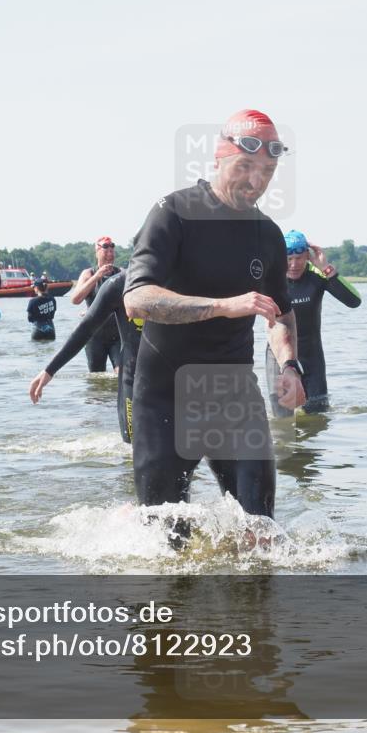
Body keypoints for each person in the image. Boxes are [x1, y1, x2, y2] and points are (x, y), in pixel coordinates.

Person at [123, 108, 306, 529]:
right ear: (218, 159)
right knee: (169, 543)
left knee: (262, 531)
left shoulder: (269, 234)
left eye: (267, 170)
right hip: (165, 399)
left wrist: (290, 366)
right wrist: (224, 305)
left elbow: (280, 314)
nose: (256, 181)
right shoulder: (173, 212)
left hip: (235, 396)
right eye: (245, 166)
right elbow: (138, 299)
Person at [29, 270, 141, 443]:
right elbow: (85, 329)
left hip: (179, 378)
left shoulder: (185, 282)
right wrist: (49, 370)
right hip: (133, 380)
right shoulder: (119, 284)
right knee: (134, 452)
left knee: (188, 450)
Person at [265, 230, 361, 416]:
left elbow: (354, 301)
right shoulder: (270, 278)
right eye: (288, 258)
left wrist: (325, 267)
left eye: (299, 258)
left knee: (317, 415)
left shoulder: (317, 276)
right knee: (282, 419)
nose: (294, 265)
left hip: (312, 357)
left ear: (308, 256)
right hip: (278, 357)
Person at [71, 236, 122, 372]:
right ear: (97, 253)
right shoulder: (88, 273)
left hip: (117, 335)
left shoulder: (121, 273)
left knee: (122, 372)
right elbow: (75, 299)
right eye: (106, 252)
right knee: (97, 378)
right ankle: (100, 395)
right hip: (94, 336)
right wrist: (97, 277)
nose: (110, 255)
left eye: (112, 252)